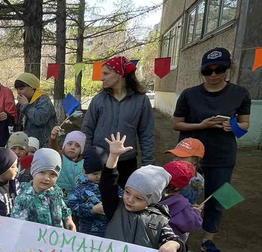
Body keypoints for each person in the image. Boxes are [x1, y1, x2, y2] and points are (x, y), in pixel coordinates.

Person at [172, 47, 251, 252]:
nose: (213, 75)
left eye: (219, 69)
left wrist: (232, 126)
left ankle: (208, 239)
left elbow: (244, 125)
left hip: (222, 155)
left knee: (216, 198)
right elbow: (177, 124)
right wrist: (201, 125)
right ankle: (175, 235)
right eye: (208, 71)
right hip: (190, 155)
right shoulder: (189, 94)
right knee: (183, 195)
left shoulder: (240, 93)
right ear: (202, 71)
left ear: (228, 68)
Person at [81, 57, 154, 187]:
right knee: (98, 197)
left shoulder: (141, 101)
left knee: (124, 197)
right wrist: (87, 156)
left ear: (120, 74)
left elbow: (146, 134)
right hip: (100, 160)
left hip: (127, 162)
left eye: (106, 73)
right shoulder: (98, 100)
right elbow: (87, 130)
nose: (101, 78)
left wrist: (147, 165)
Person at [160, 161, 203, 243]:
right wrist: (196, 212)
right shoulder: (182, 204)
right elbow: (194, 224)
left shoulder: (151, 195)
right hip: (171, 244)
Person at [13, 72, 57, 149]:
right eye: (17, 89)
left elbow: (40, 119)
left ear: (32, 88)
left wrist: (26, 106)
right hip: (28, 145)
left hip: (43, 145)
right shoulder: (22, 102)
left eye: (21, 89)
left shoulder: (44, 100)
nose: (18, 92)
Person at [165, 138, 206, 205]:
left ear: (195, 160)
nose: (176, 159)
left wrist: (192, 208)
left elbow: (187, 202)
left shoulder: (197, 180)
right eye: (175, 156)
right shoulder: (167, 172)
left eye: (182, 156)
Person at [49, 129, 86, 196]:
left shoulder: (84, 163)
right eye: (69, 144)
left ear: (81, 150)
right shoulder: (60, 158)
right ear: (64, 146)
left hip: (78, 199)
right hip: (59, 197)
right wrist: (53, 139)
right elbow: (53, 152)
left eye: (77, 146)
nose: (73, 147)